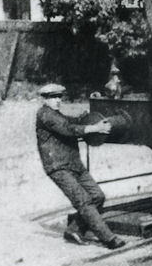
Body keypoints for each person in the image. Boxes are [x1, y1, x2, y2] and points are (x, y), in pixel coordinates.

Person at [35, 83, 126, 248]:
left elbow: (71, 121)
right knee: (84, 201)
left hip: (74, 164)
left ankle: (73, 230)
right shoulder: (45, 115)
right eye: (53, 97)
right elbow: (68, 129)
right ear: (45, 100)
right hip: (58, 167)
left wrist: (84, 118)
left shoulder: (56, 114)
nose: (57, 101)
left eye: (59, 97)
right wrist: (95, 127)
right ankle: (109, 238)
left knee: (97, 196)